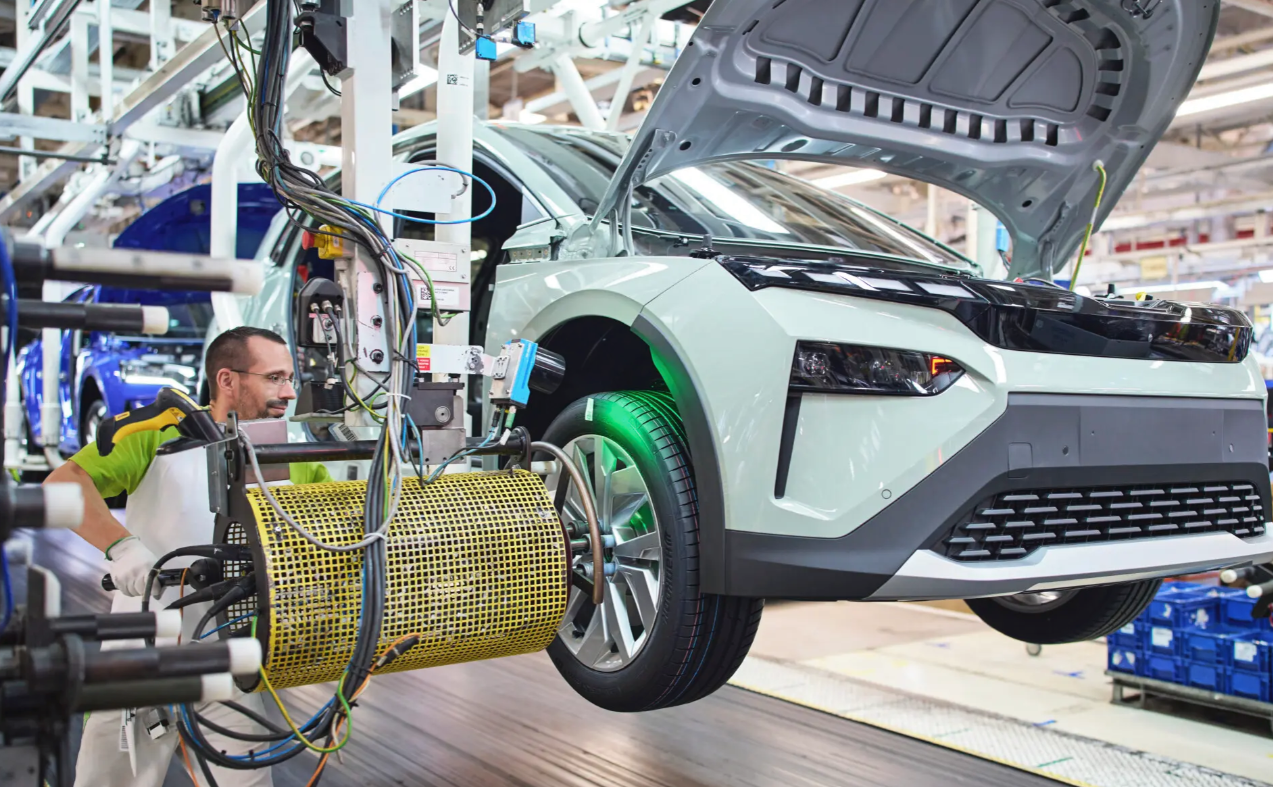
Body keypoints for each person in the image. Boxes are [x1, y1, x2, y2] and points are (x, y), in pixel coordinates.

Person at [46, 326, 333, 787]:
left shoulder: (290, 454)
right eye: (274, 378)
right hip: (139, 653)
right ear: (227, 380)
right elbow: (63, 485)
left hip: (230, 658)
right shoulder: (155, 434)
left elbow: (334, 539)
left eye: (289, 378)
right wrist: (123, 547)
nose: (288, 391)